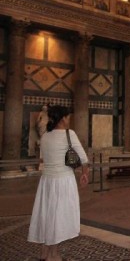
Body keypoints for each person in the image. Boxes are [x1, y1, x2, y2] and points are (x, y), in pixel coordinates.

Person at [28, 105, 89, 261]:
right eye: (68, 117)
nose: (69, 120)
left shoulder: (45, 136)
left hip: (46, 181)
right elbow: (83, 158)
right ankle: (53, 255)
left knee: (46, 215)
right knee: (57, 217)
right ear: (63, 118)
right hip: (63, 181)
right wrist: (84, 174)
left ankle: (44, 252)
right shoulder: (69, 134)